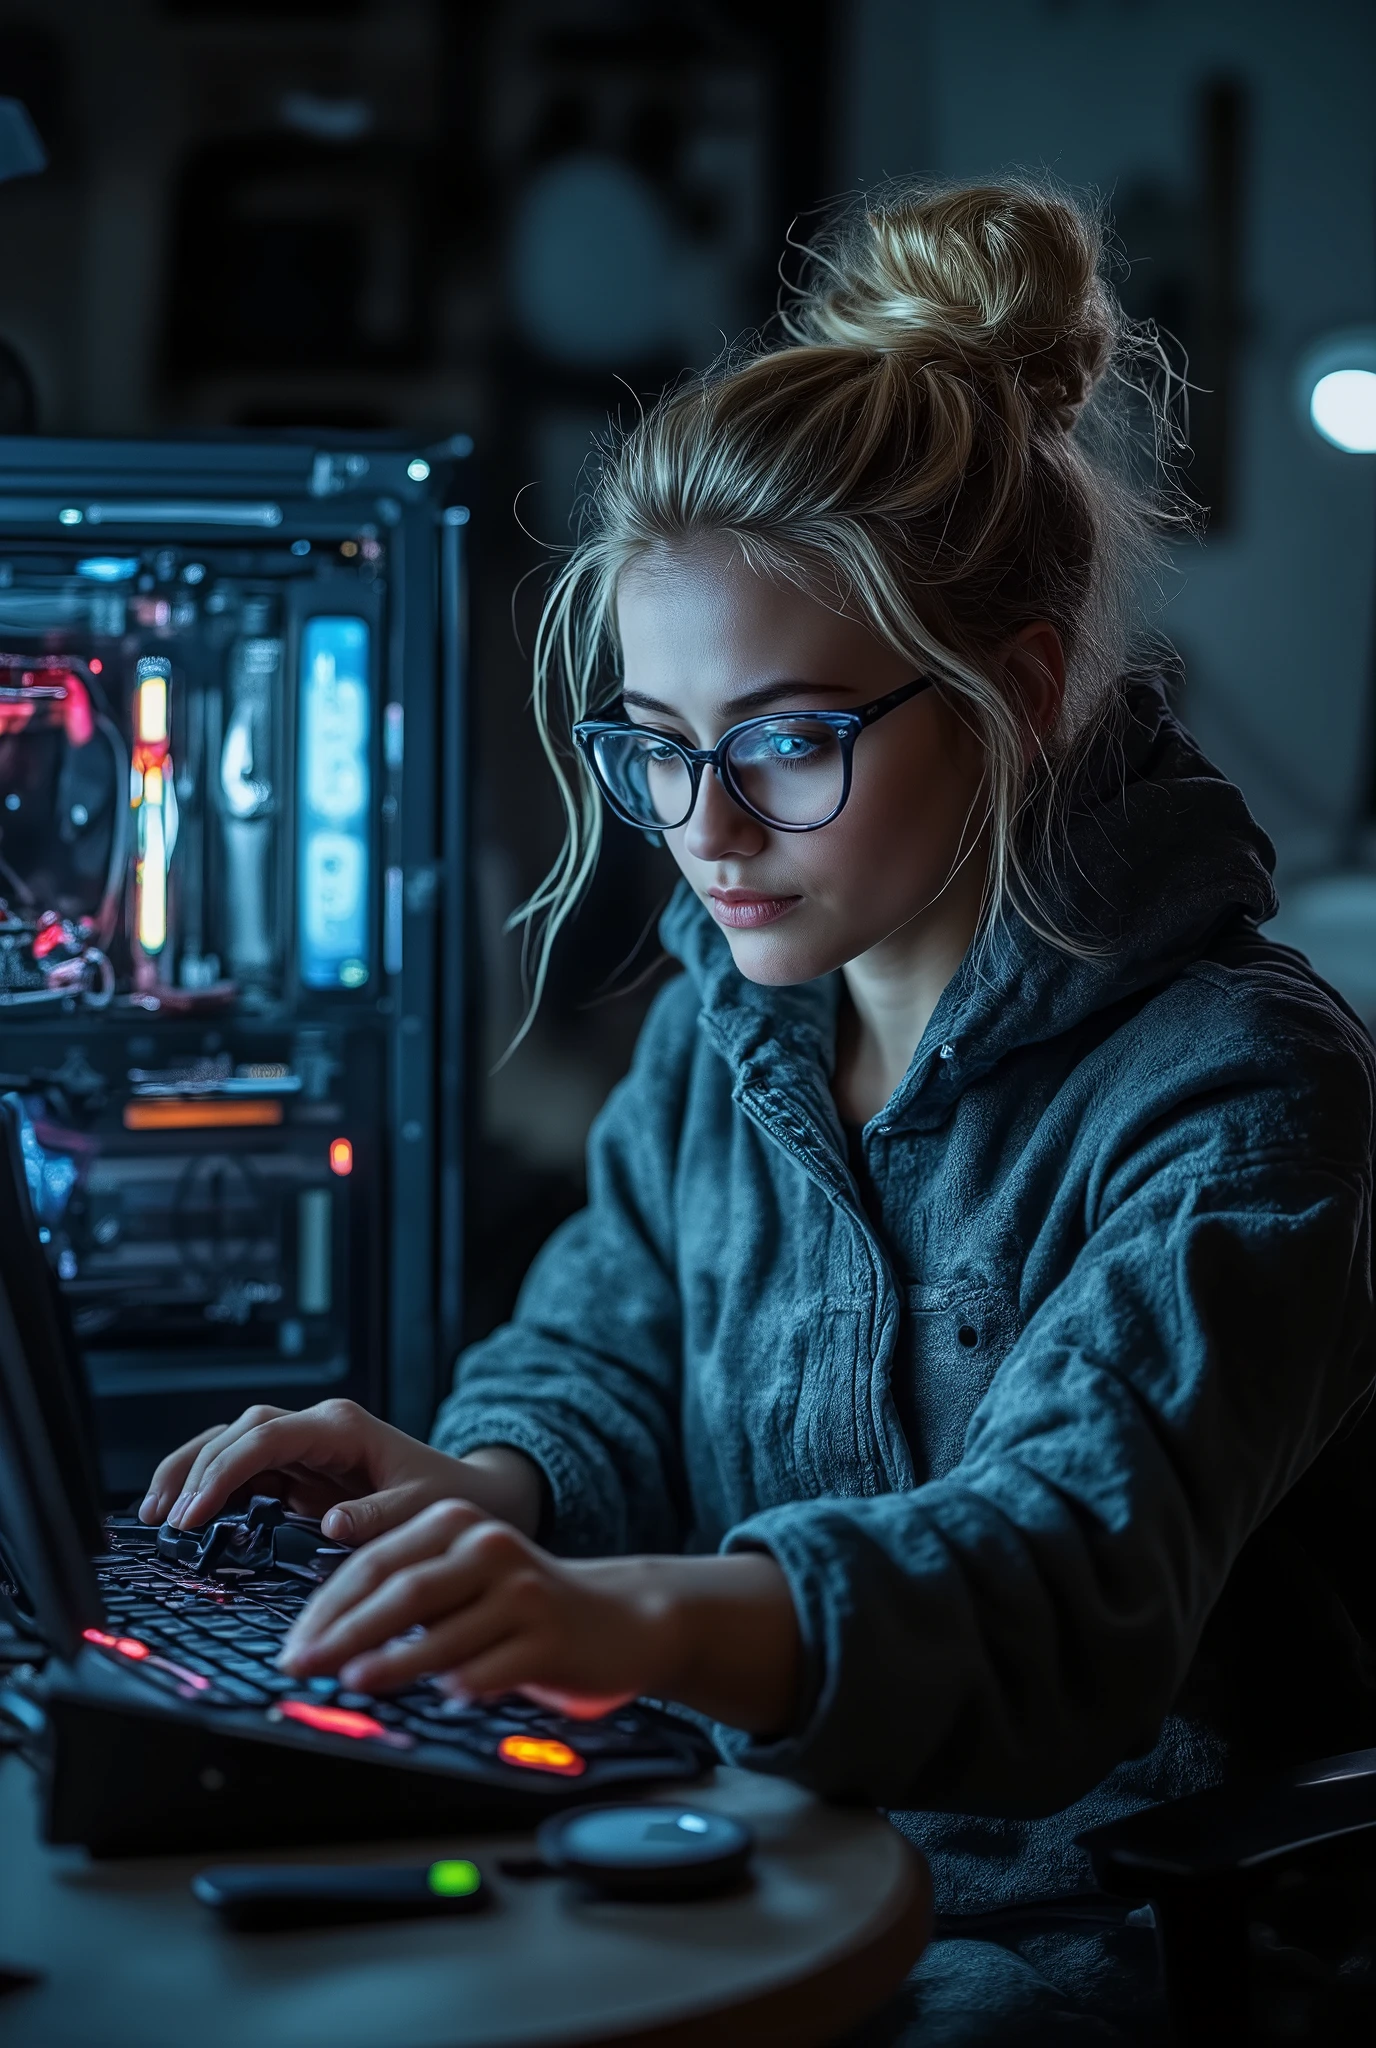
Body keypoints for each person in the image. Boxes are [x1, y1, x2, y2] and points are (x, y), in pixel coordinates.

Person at [140, 182, 1376, 2042]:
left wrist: (639, 1622)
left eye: (787, 739)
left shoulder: (1237, 1097)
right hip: (742, 1846)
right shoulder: (732, 1030)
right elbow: (607, 1351)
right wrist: (482, 1494)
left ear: (1017, 697)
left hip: (1089, 1942)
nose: (703, 830)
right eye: (654, 744)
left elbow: (1060, 1579)